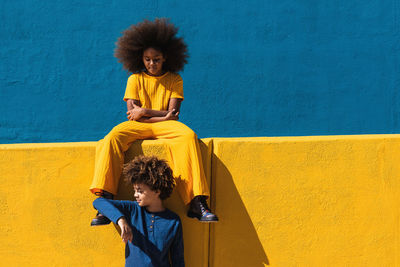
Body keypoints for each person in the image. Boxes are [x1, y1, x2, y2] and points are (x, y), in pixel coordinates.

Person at [90, 18, 218, 226]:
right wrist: (161, 115)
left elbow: (173, 114)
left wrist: (147, 111)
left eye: (156, 59)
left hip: (166, 126)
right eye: (147, 59)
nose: (152, 64)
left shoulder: (175, 79)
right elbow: (133, 114)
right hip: (140, 126)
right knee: (112, 138)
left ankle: (197, 202)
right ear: (141, 58)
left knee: (188, 136)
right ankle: (105, 201)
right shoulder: (134, 79)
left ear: (165, 58)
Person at [93, 155, 184, 266]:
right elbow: (99, 202)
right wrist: (121, 220)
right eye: (134, 190)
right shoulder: (132, 209)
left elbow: (177, 259)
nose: (135, 195)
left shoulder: (173, 221)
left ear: (157, 191)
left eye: (140, 191)